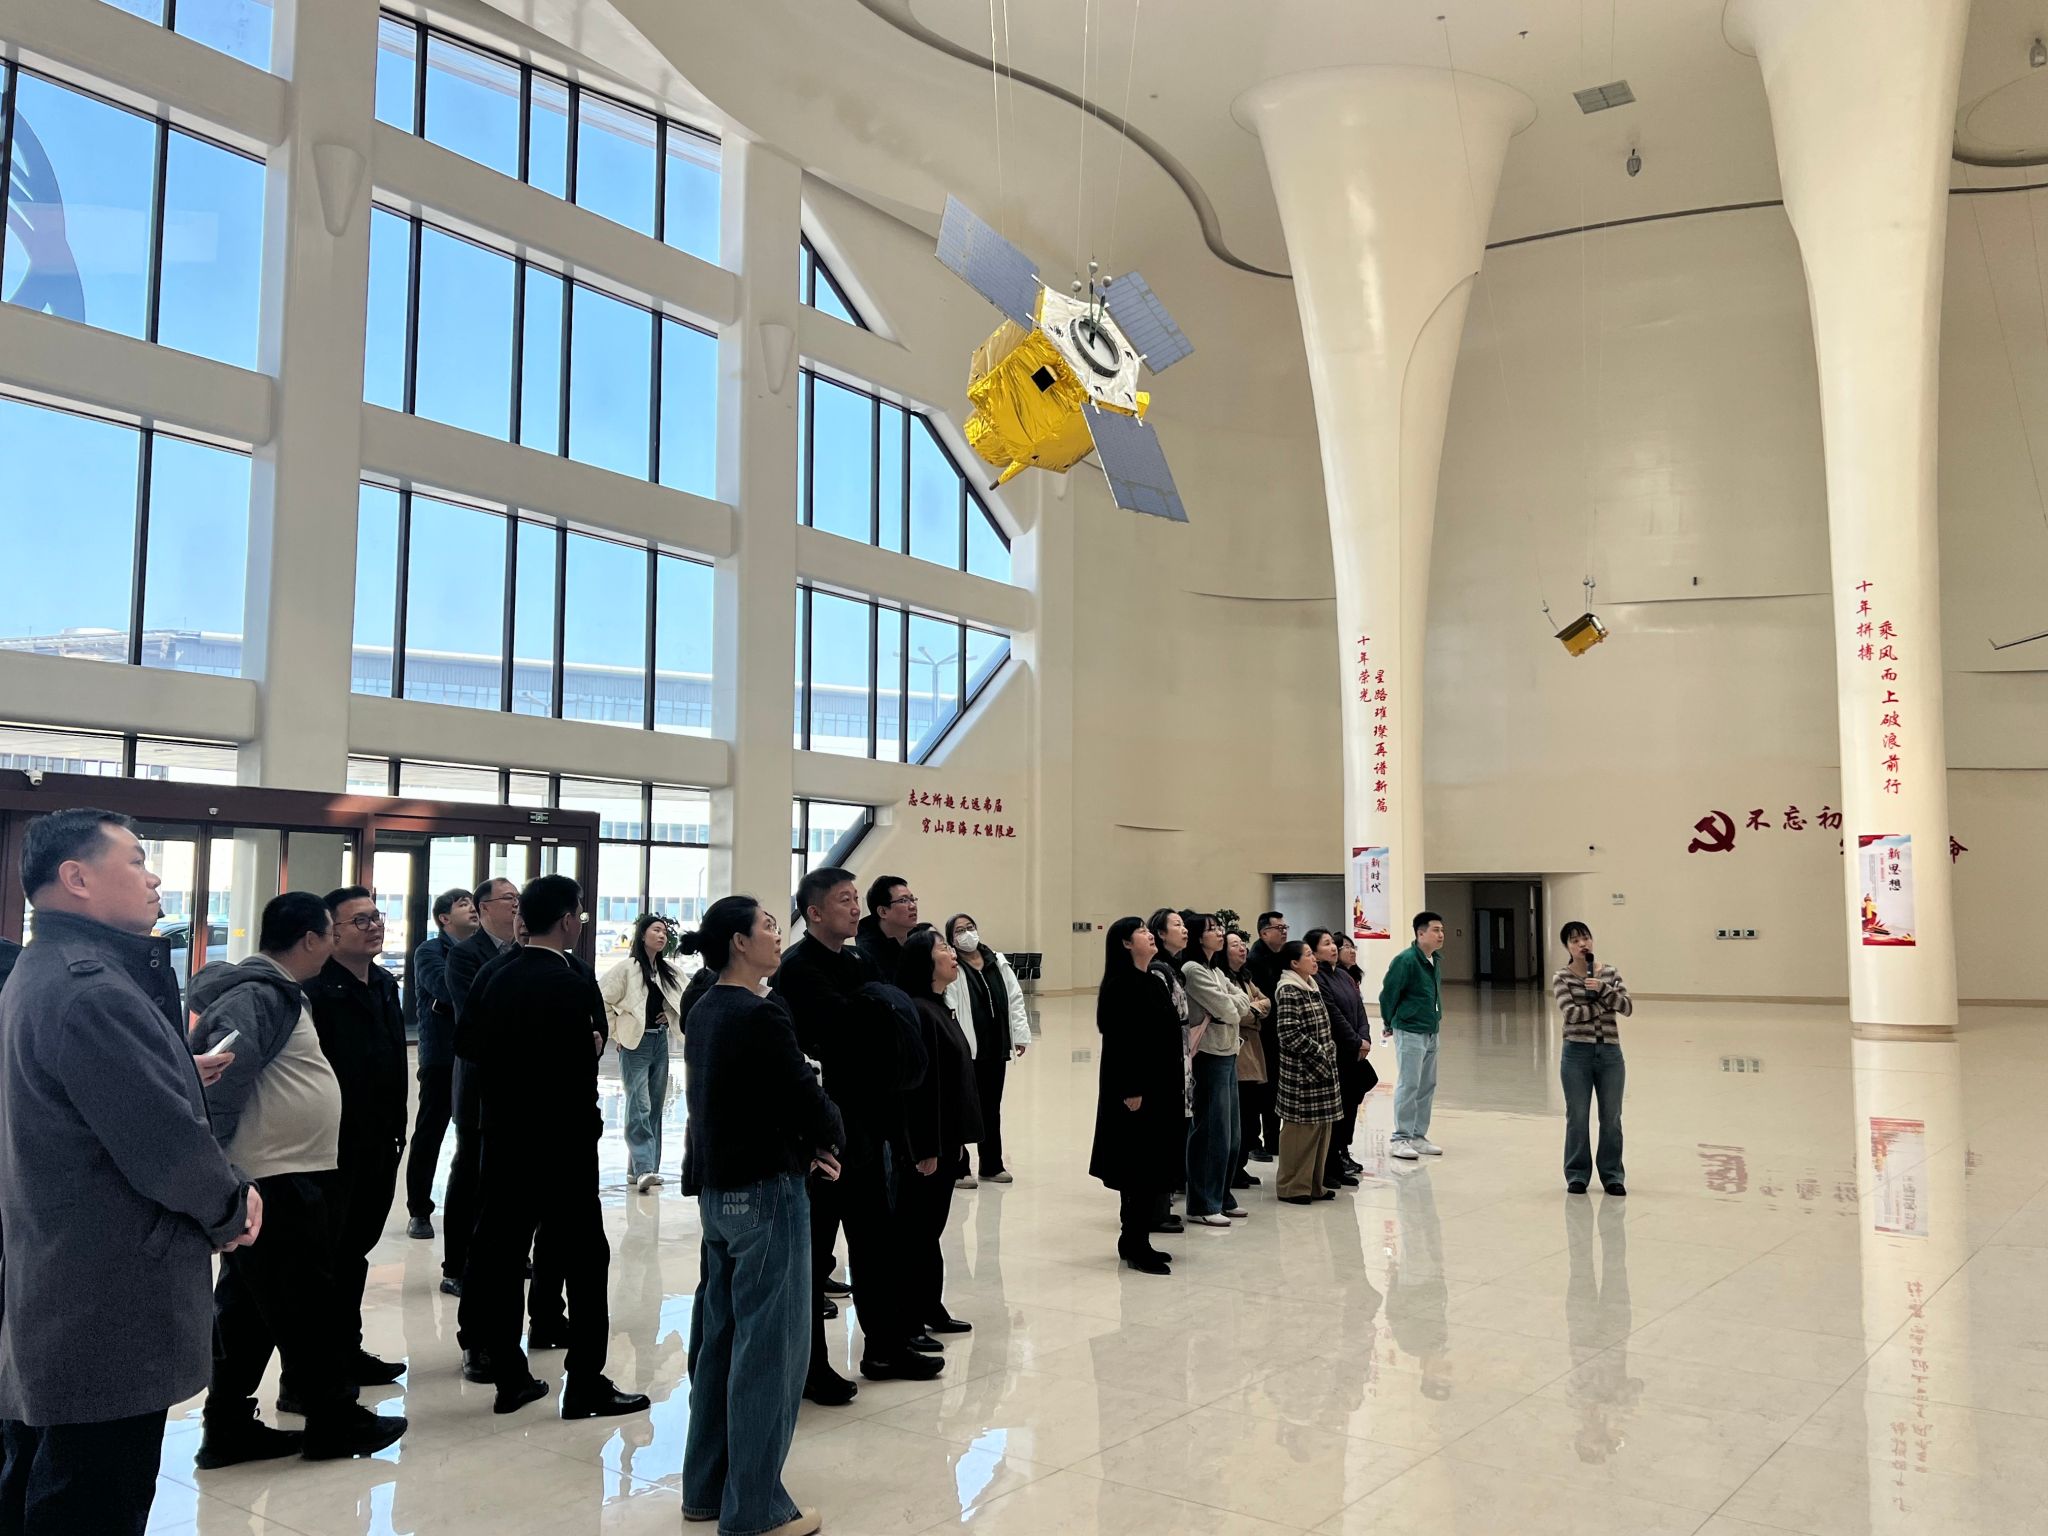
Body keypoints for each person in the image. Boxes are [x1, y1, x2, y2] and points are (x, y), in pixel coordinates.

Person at [0, 809, 259, 1535]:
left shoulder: (45, 970)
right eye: (137, 861)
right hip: (105, 1290)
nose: (154, 878)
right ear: (76, 878)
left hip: (62, 1277)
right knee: (92, 1497)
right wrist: (231, 1206)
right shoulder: (93, 990)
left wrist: (172, 1071)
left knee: (45, 1476)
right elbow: (166, 1150)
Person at [189, 891, 407, 1466]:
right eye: (331, 934)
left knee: (249, 1309)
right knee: (307, 1302)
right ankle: (333, 1420)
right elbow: (221, 1087)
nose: (334, 944)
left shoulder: (282, 992)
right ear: (310, 939)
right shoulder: (258, 996)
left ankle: (228, 1426)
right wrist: (222, 1172)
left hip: (285, 1171)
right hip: (273, 1176)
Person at [456, 875, 648, 1419]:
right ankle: (585, 1381)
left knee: (502, 1253)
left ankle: (510, 1376)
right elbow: (581, 1059)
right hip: (563, 1144)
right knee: (586, 1259)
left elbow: (467, 1043)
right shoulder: (570, 979)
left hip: (505, 1137)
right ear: (567, 920)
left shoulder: (495, 974)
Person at [681, 895, 842, 1536]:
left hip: (719, 1193)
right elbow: (800, 1094)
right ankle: (755, 1509)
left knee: (720, 1343)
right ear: (740, 943)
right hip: (767, 1194)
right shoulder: (760, 1012)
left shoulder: (704, 1007)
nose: (778, 936)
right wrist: (829, 1136)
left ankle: (706, 1489)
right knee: (771, 1352)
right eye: (768, 927)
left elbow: (736, 1101)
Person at [772, 867, 939, 1399]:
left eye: (854, 899)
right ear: (814, 912)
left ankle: (884, 1347)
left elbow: (887, 1024)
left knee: (875, 1245)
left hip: (869, 1127)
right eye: (844, 900)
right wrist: (875, 1012)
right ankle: (810, 1366)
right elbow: (844, 1033)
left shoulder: (859, 960)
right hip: (823, 1135)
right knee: (815, 1256)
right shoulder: (799, 968)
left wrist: (874, 1012)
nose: (854, 908)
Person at [310, 888, 409, 1390]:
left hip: (380, 1138)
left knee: (355, 1251)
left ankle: (347, 1351)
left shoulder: (385, 984)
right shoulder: (315, 990)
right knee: (328, 1255)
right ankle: (318, 1370)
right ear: (331, 933)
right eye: (360, 921)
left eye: (377, 917)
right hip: (333, 1143)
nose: (374, 927)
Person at [896, 928, 980, 1346]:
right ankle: (910, 1318)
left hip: (946, 1140)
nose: (952, 952)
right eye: (943, 947)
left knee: (930, 1230)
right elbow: (919, 1088)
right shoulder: (919, 1011)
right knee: (918, 1232)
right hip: (927, 1146)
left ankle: (930, 1305)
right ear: (924, 963)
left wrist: (956, 1141)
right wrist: (926, 1146)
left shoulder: (939, 1007)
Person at [1088, 917, 1185, 1273]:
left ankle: (1135, 1238)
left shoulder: (1152, 981)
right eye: (1141, 931)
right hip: (1136, 1093)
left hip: (1160, 1088)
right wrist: (1131, 1088)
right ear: (1126, 943)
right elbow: (1121, 1043)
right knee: (1137, 1168)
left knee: (1151, 1165)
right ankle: (1135, 1242)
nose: (1149, 935)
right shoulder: (1120, 985)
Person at [439, 876, 520, 1296]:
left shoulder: (526, 953)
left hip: (518, 1084)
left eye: (518, 898)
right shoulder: (465, 955)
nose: (516, 905)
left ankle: (507, 1253)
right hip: (477, 1081)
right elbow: (477, 1013)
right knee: (469, 1170)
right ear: (485, 907)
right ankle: (456, 1264)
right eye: (508, 899)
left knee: (510, 1174)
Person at [404, 887, 476, 1241]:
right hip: (441, 1057)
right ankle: (419, 1210)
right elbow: (445, 989)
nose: (472, 909)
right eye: (464, 905)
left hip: (474, 1055)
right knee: (430, 1132)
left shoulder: (483, 951)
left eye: (473, 903)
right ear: (444, 918)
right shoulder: (430, 951)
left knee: (473, 1134)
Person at [941, 912, 1029, 1188]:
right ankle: (959, 1167)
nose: (967, 933)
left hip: (995, 1047)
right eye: (959, 931)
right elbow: (949, 1004)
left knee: (991, 1109)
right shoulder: (953, 966)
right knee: (963, 1107)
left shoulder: (996, 961)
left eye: (970, 927)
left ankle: (991, 1164)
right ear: (951, 939)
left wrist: (1020, 1035)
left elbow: (1014, 998)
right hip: (967, 1051)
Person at [600, 913, 686, 1194]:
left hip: (659, 1041)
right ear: (643, 934)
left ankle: (639, 1168)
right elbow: (602, 999)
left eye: (664, 932)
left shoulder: (668, 971)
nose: (661, 935)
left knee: (655, 1107)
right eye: (656, 930)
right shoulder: (627, 969)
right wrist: (616, 1033)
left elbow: (685, 999)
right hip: (634, 1044)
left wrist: (669, 1016)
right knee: (640, 1105)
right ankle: (645, 1169)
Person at [1178, 912, 1249, 1227]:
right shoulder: (1193, 970)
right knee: (1211, 1132)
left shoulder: (1216, 970)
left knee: (1231, 1134)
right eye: (1212, 929)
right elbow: (1230, 1010)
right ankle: (1202, 1203)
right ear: (1198, 936)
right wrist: (1232, 1006)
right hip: (1208, 1055)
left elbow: (1241, 1002)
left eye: (1220, 927)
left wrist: (1233, 1006)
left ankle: (1221, 1195)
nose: (1219, 932)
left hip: (1228, 1051)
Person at [1552, 921, 1632, 1196]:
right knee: (1577, 1116)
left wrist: (1604, 989)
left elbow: (1627, 1007)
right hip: (1576, 1054)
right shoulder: (1562, 977)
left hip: (1610, 1053)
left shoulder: (1610, 973)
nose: (1582, 944)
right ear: (1567, 947)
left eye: (1585, 938)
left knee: (1611, 1117)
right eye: (1575, 941)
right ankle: (1577, 1175)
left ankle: (1612, 1175)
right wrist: (1603, 1004)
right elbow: (1571, 1015)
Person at [1273, 940, 1341, 1204]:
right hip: (1302, 1073)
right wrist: (1319, 1051)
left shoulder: (1311, 985)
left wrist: (1328, 1051)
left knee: (1320, 1131)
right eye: (1309, 955)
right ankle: (1292, 1187)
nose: (1314, 959)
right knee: (1300, 1134)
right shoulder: (1289, 989)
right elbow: (1288, 1033)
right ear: (1294, 963)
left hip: (1321, 1070)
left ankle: (1313, 1185)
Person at [1305, 928, 1371, 1189]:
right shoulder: (1318, 979)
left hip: (1355, 1050)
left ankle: (1342, 1154)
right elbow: (1333, 1014)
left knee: (1351, 1104)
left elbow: (1360, 1008)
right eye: (1326, 944)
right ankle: (1330, 1164)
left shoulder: (1343, 975)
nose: (1333, 947)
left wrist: (1364, 1037)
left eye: (1333, 943)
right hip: (1337, 1052)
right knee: (1336, 1109)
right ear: (1313, 951)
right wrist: (1355, 1041)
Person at [1381, 911, 1447, 1160]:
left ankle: (1418, 1136)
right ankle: (1400, 1138)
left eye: (1442, 930)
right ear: (1420, 933)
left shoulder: (1434, 960)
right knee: (1409, 1084)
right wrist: (1389, 1021)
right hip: (1409, 1029)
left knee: (1427, 1085)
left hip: (1430, 1029)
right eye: (1435, 930)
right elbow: (1389, 994)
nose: (1441, 935)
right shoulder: (1406, 960)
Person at [1223, 931, 1271, 1190]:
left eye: (1243, 944)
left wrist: (1251, 1010)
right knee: (1238, 1115)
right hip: (1236, 1053)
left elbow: (1266, 1003)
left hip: (1252, 1052)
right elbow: (1233, 1013)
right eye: (1235, 945)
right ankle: (1231, 1169)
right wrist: (1253, 1012)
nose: (1242, 948)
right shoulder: (1221, 978)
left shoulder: (1245, 978)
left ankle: (1239, 1166)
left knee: (1250, 1115)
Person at [1244, 912, 1290, 1161]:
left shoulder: (1282, 957)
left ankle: (1273, 1139)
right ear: (1264, 933)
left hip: (1277, 1032)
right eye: (1278, 928)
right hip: (1260, 1032)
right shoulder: (1254, 961)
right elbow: (1261, 1000)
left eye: (1285, 927)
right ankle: (1253, 1142)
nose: (1284, 931)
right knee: (1258, 1089)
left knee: (1275, 1087)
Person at [855, 874, 917, 981]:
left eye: (912, 899)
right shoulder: (869, 957)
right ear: (883, 912)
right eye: (903, 900)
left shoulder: (919, 936)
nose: (913, 906)